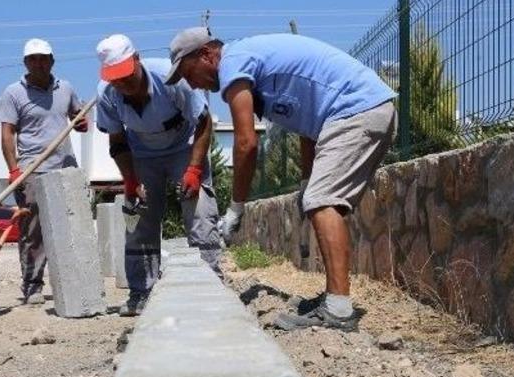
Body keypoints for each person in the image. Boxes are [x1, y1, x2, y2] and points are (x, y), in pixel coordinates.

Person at [166, 27, 397, 331]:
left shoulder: (234, 61)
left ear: (207, 55)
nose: (192, 84)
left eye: (187, 72)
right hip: (362, 110)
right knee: (322, 200)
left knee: (323, 201)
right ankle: (334, 297)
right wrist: (305, 183)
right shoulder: (254, 66)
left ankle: (339, 310)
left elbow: (246, 142)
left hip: (357, 110)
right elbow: (309, 124)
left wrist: (236, 207)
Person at [95, 34, 222, 317]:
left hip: (184, 148)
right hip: (142, 154)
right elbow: (117, 141)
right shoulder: (106, 94)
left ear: (137, 60)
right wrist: (129, 181)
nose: (123, 84)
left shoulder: (170, 78)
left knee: (199, 208)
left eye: (126, 75)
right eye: (115, 78)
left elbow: (204, 123)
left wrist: (193, 169)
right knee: (140, 217)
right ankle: (141, 292)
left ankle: (210, 285)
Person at [0, 38, 88, 305]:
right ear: (26, 63)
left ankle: (74, 281)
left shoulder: (66, 88)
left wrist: (81, 122)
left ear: (52, 60)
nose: (39, 63)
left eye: (44, 58)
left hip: (65, 168)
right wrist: (14, 171)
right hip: (32, 170)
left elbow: (77, 115)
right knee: (33, 231)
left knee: (71, 226)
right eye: (33, 59)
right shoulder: (14, 93)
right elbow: (7, 133)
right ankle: (32, 285)